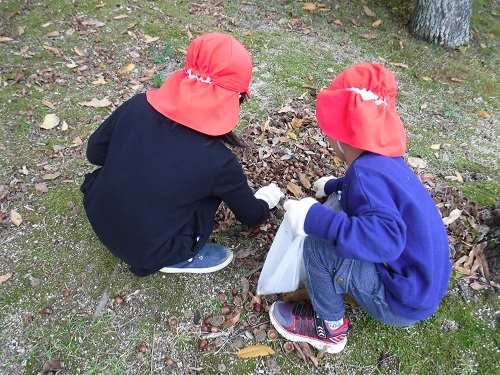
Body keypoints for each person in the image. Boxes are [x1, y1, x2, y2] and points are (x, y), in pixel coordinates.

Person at [269, 63, 452, 353]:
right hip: (422, 281)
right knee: (343, 218)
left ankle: (329, 328)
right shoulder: (384, 162)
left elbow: (385, 241)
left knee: (317, 245)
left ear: (341, 135)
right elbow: (372, 194)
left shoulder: (363, 175)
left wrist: (314, 218)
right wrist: (334, 186)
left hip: (402, 303)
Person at [80, 33, 283, 277]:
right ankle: (175, 257)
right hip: (147, 251)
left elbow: (95, 153)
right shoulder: (219, 160)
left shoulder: (137, 104)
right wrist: (265, 201)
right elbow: (250, 216)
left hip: (96, 210)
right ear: (236, 98)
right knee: (209, 193)